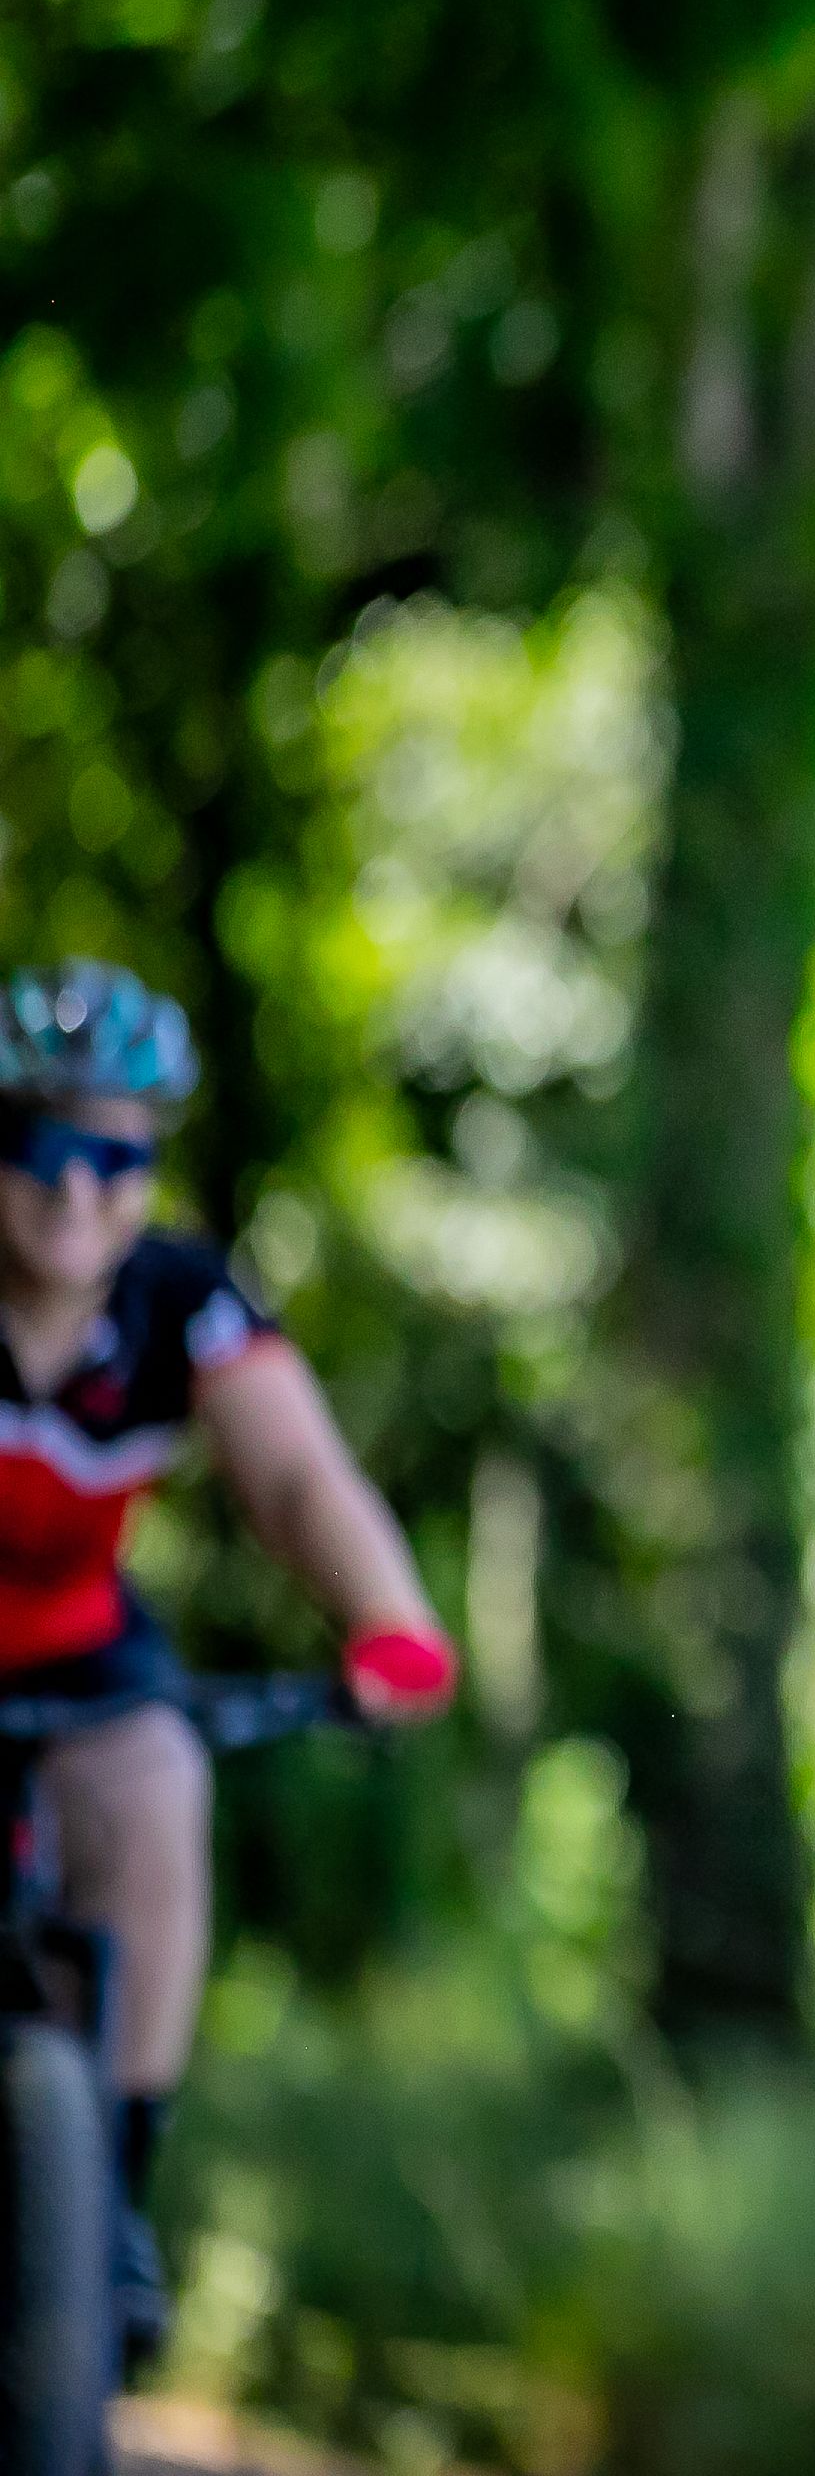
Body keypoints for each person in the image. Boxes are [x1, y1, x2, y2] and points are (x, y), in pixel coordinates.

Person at [0, 963, 455, 2368]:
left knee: (156, 1784)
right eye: (42, 1146)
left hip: (82, 1656)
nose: (81, 1191)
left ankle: (111, 2192)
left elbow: (300, 1479)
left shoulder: (181, 1302)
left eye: (120, 1158)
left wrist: (388, 1624)